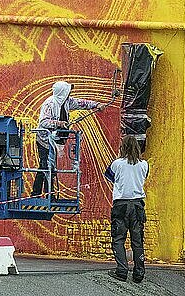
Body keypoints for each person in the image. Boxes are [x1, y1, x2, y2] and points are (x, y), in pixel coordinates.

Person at [31, 81, 103, 197]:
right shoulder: (49, 104)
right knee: (45, 166)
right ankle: (37, 193)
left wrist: (96, 105)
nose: (69, 94)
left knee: (51, 167)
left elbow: (82, 103)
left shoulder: (67, 102)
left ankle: (49, 194)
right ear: (62, 93)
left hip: (55, 140)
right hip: (45, 140)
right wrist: (58, 123)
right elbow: (43, 122)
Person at [104, 135, 149, 283]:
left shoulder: (117, 163)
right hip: (137, 205)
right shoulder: (144, 164)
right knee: (137, 240)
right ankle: (138, 272)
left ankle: (122, 270)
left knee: (118, 238)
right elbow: (144, 177)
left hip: (121, 205)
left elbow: (109, 176)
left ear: (122, 147)